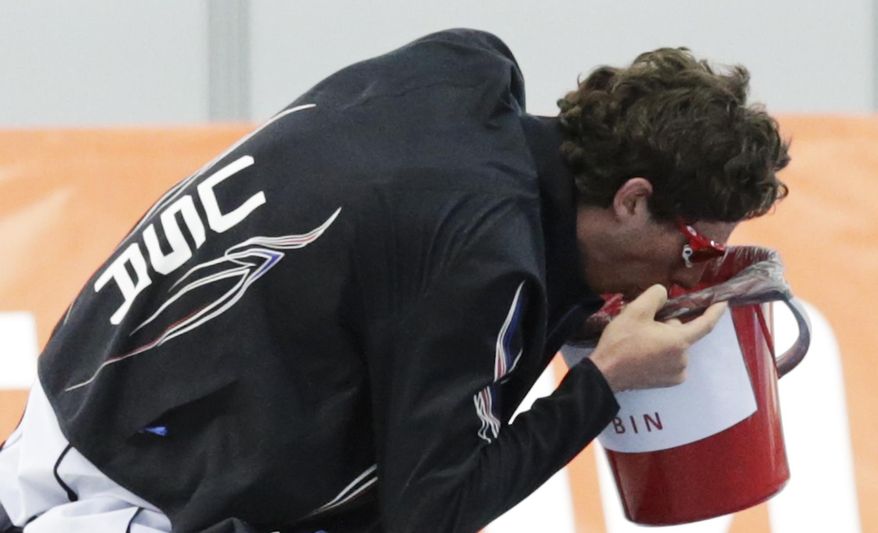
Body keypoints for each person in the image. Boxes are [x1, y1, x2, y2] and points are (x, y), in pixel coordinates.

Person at [0, 28, 789, 533]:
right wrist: (605, 383)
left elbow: (407, 278)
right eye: (694, 249)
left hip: (90, 416)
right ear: (632, 198)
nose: (692, 273)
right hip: (116, 497)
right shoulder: (481, 259)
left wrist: (564, 313)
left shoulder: (464, 69)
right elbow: (431, 512)